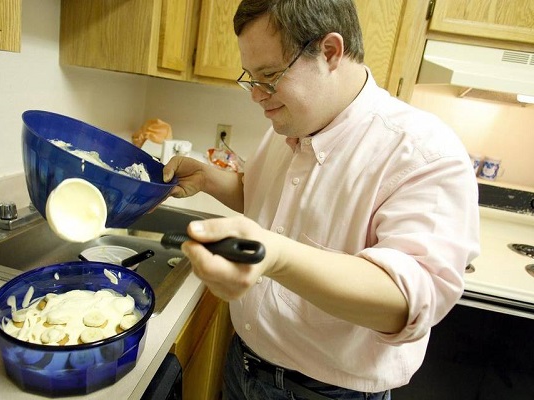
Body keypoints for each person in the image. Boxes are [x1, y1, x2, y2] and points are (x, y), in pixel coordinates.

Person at [162, 0, 480, 399]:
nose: (257, 95)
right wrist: (212, 180)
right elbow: (267, 203)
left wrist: (275, 255)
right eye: (251, 78)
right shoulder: (291, 121)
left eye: (270, 75)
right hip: (243, 364)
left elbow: (404, 302)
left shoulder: (422, 150)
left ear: (330, 52)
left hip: (326, 393)